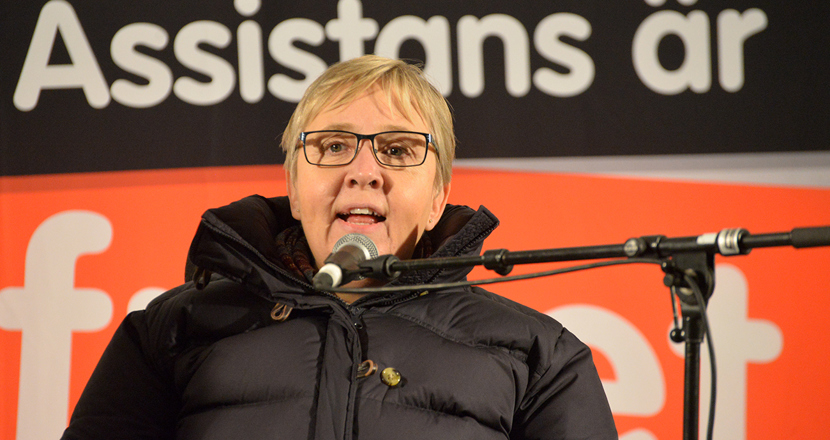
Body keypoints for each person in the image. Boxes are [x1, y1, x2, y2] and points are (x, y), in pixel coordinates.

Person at [61, 55, 617, 439]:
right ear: (293, 189)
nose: (363, 171)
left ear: (437, 200)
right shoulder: (169, 333)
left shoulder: (540, 357)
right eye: (332, 146)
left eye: (397, 151)